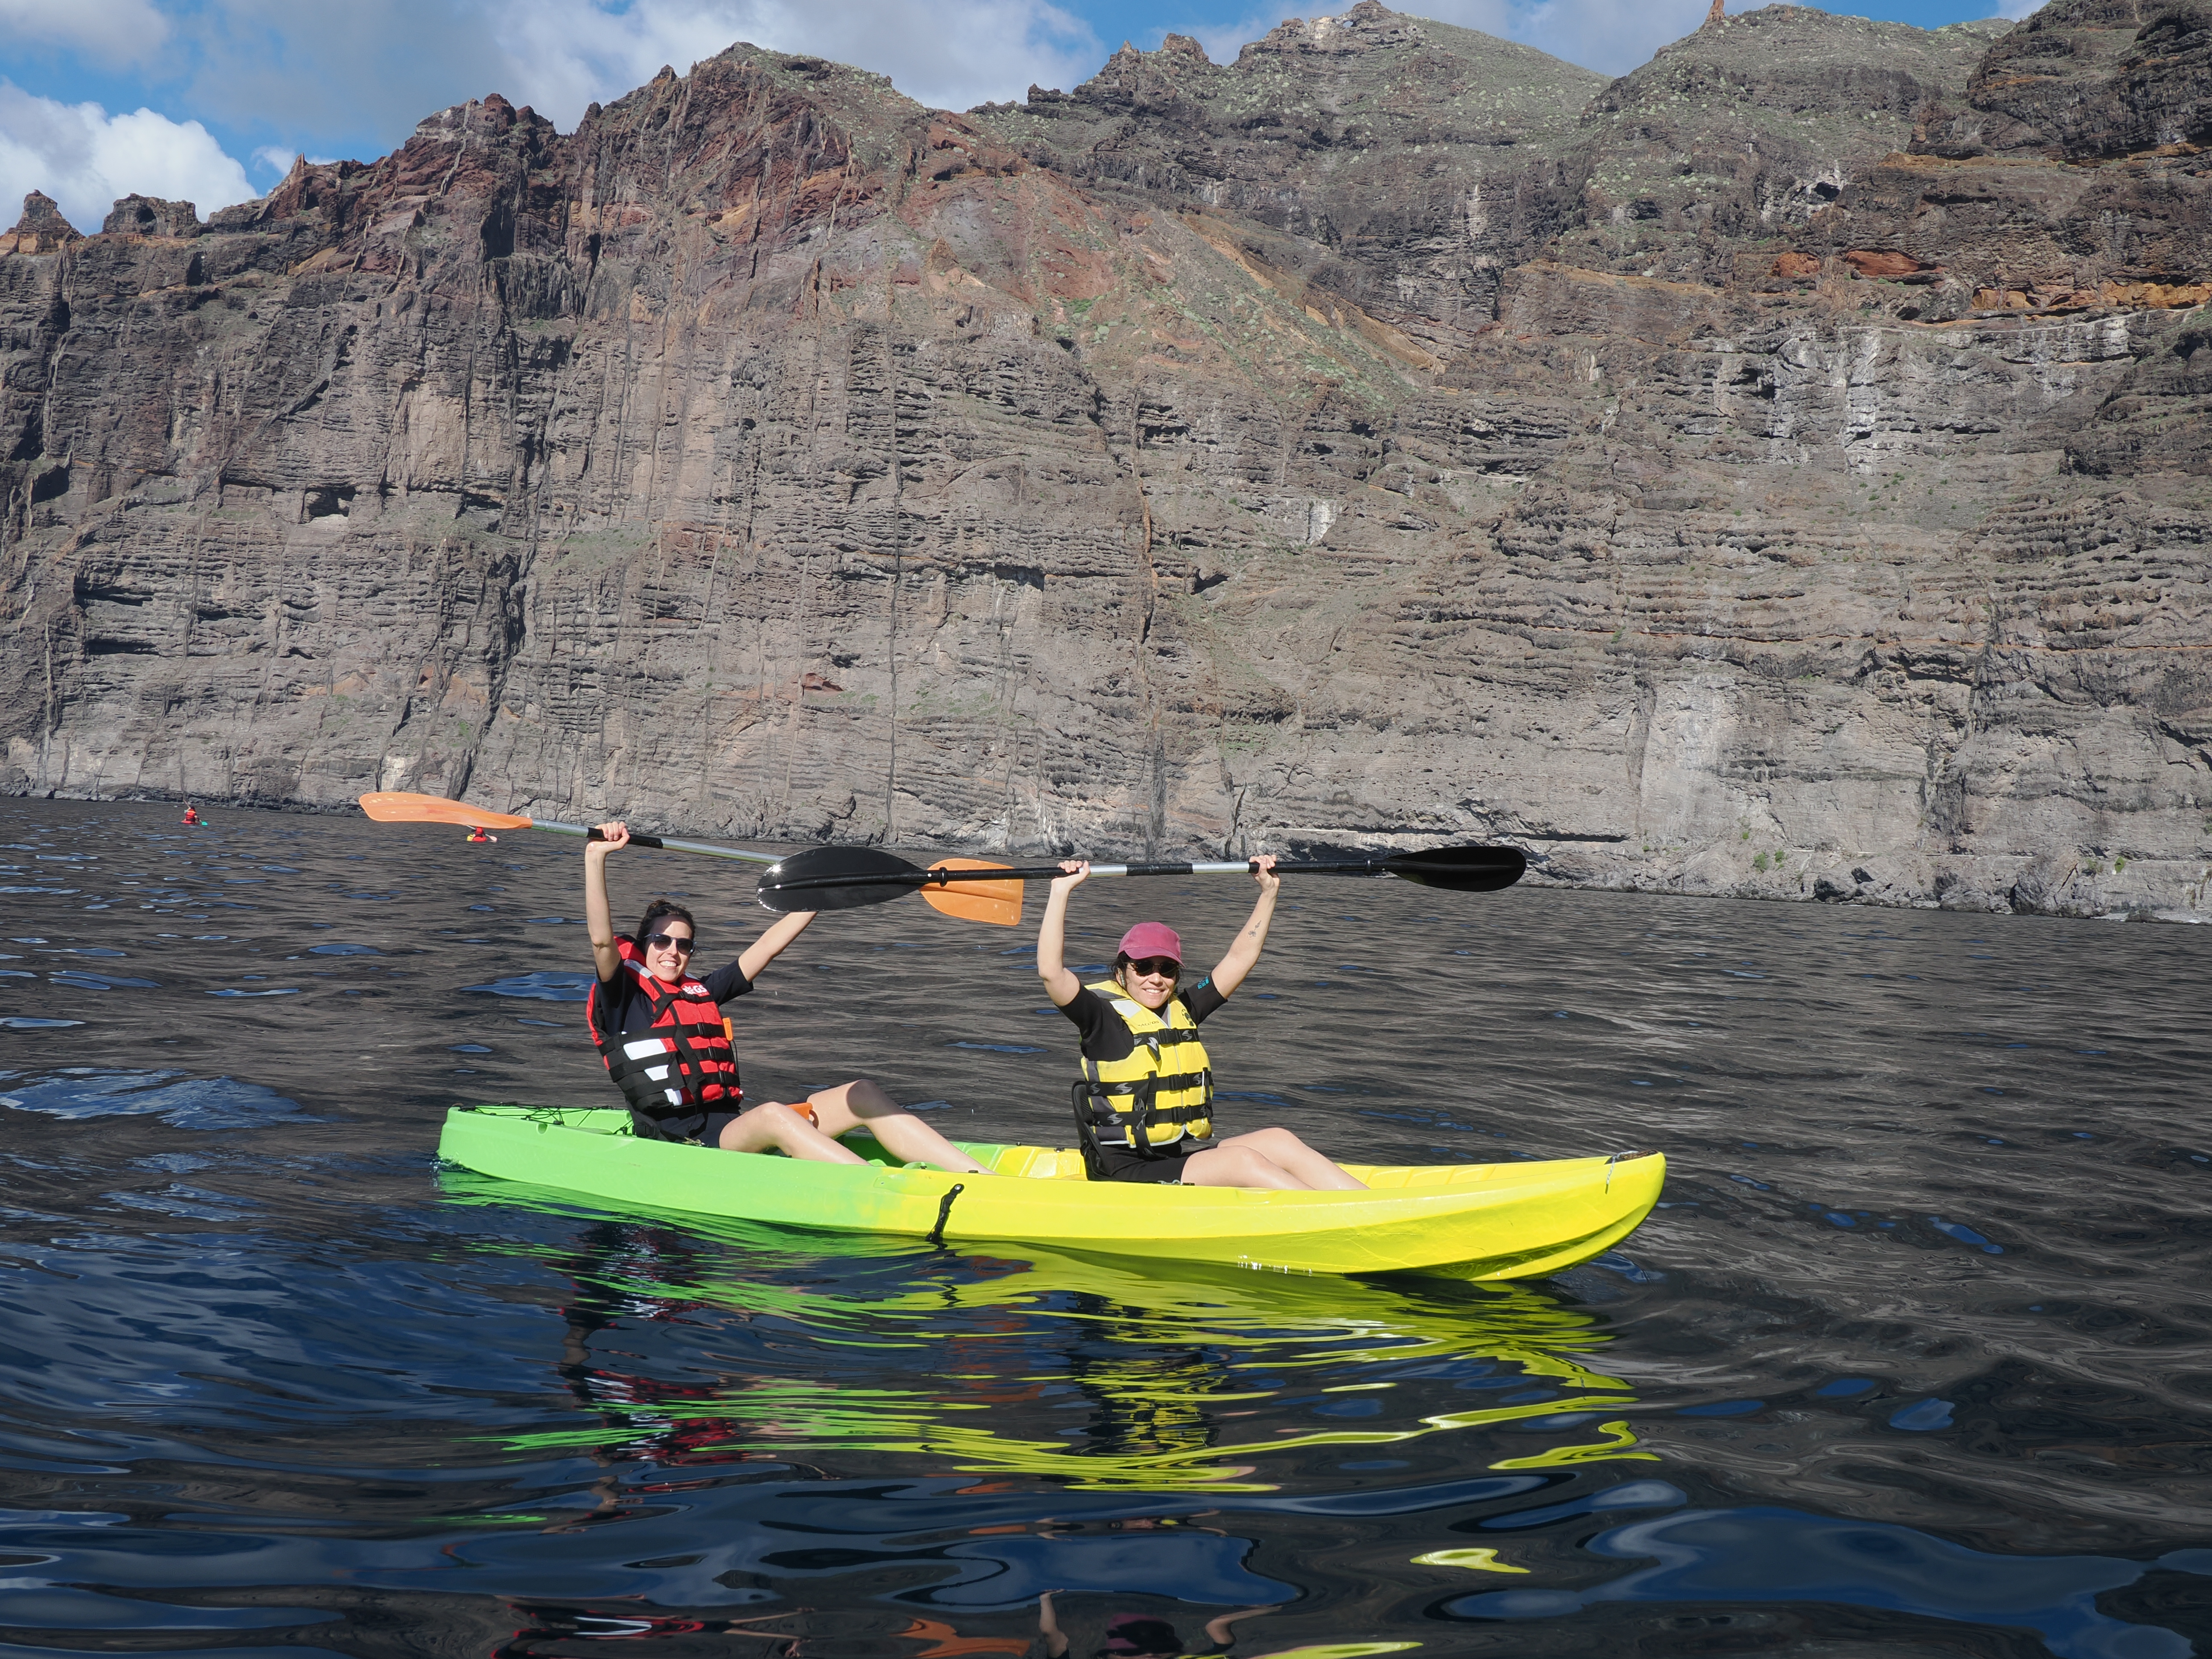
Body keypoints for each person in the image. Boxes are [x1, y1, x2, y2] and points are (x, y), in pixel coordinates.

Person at [584, 820, 985, 1173]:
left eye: (684, 945)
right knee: (774, 1115)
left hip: (732, 1130)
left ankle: (978, 1180)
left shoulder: (700, 992)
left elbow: (766, 949)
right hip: (682, 1143)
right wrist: (597, 856)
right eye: (661, 940)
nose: (673, 951)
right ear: (644, 943)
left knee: (860, 1092)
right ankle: (883, 1188)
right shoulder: (623, 997)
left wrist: (820, 895)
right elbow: (602, 941)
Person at [1037, 859, 1365, 1190]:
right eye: (1143, 967)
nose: (1156, 978)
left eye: (1167, 969)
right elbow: (1052, 972)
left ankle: (1366, 1204)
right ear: (1122, 972)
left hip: (1170, 1160)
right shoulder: (1101, 1018)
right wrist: (1060, 891)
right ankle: (1337, 1217)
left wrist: (1269, 891)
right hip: (1123, 1173)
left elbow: (1240, 958)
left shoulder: (1184, 1009)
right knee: (1242, 1162)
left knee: (1279, 1140)